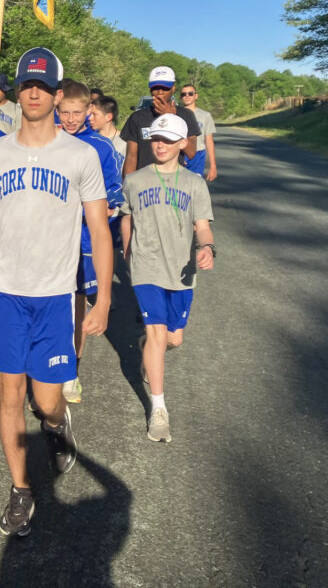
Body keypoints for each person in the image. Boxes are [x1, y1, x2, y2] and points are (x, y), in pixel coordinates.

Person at [0, 47, 112, 537]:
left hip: (54, 296)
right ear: (17, 90)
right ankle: (21, 488)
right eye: (27, 85)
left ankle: (55, 424)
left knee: (46, 400)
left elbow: (99, 229)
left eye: (43, 86)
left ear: (57, 93)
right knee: (10, 394)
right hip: (6, 292)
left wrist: (104, 298)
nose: (34, 93)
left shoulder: (80, 155)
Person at [119, 113, 215, 443]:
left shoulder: (195, 183)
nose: (160, 145)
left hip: (181, 270)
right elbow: (127, 218)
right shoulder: (135, 180)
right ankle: (159, 409)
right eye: (156, 139)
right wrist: (128, 251)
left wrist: (207, 248)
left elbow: (203, 226)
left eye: (168, 140)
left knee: (173, 339)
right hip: (146, 267)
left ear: (183, 143)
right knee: (158, 334)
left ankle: (147, 348)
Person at [56, 81, 123, 404]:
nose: (71, 119)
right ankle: (43, 365)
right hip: (51, 238)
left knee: (77, 302)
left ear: (89, 110)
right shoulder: (48, 140)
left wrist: (108, 206)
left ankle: (71, 369)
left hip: (84, 240)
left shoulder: (101, 146)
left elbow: (114, 191)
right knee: (52, 303)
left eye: (77, 112)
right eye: (65, 113)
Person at [120, 66, 200, 175]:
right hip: (144, 180)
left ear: (173, 88)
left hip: (175, 180)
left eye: (165, 87)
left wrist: (171, 117)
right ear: (150, 90)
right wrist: (128, 183)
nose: (160, 92)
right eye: (155, 88)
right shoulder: (137, 117)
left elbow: (191, 153)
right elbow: (131, 156)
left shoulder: (186, 115)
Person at [178, 84, 218, 181]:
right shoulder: (176, 114)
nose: (187, 96)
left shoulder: (205, 115)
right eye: (184, 94)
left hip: (198, 155)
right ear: (180, 97)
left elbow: (209, 141)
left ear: (196, 96)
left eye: (190, 93)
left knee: (194, 185)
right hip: (179, 154)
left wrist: (213, 166)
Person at [88, 95, 126, 161]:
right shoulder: (89, 139)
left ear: (108, 117)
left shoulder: (125, 142)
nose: (90, 118)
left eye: (94, 114)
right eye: (90, 114)